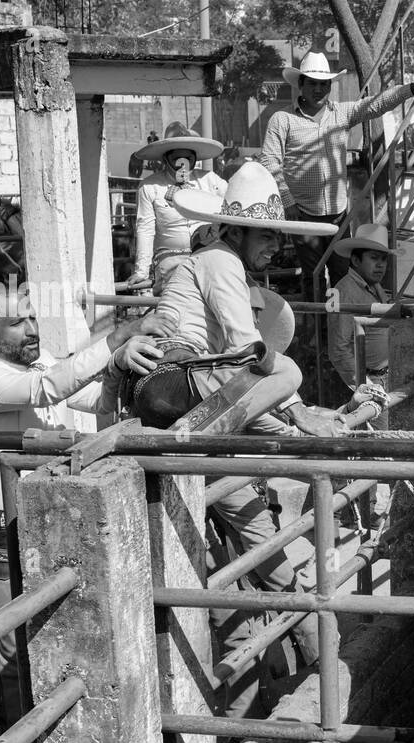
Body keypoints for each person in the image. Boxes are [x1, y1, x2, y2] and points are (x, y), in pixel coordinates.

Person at [166, 162, 352, 712]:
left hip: (199, 410)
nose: (275, 246)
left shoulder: (213, 262)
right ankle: (325, 668)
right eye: (267, 234)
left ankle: (301, 670)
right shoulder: (220, 262)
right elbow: (248, 353)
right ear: (237, 231)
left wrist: (296, 417)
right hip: (190, 408)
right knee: (288, 371)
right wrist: (297, 412)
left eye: (278, 235)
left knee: (251, 545)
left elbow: (236, 385)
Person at [0, 290, 167, 743]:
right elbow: (50, 389)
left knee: (47, 639)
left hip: (44, 513)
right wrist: (115, 340)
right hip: (2, 525)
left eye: (33, 316)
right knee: (11, 648)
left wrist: (120, 369)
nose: (32, 328)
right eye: (18, 323)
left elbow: (92, 397)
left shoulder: (39, 363)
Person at [257, 52, 414, 292]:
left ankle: (340, 328)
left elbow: (375, 104)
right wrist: (288, 201)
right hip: (304, 214)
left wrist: (409, 89)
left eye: (323, 84)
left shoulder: (341, 113)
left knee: (342, 274)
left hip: (337, 214)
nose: (318, 89)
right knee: (312, 276)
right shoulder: (282, 119)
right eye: (312, 83)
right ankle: (318, 328)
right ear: (300, 84)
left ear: (329, 87)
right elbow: (270, 161)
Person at [127, 122, 228, 294]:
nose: (183, 165)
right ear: (166, 159)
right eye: (177, 159)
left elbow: (234, 207)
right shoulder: (150, 186)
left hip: (210, 256)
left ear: (194, 159)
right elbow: (145, 229)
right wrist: (141, 271)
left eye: (188, 159)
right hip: (170, 261)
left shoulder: (210, 181)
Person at [330, 224, 395, 420]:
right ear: (356, 260)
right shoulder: (344, 291)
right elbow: (338, 349)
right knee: (379, 439)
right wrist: (365, 385)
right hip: (370, 380)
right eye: (374, 258)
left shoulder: (374, 286)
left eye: (383, 259)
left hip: (381, 377)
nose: (381, 265)